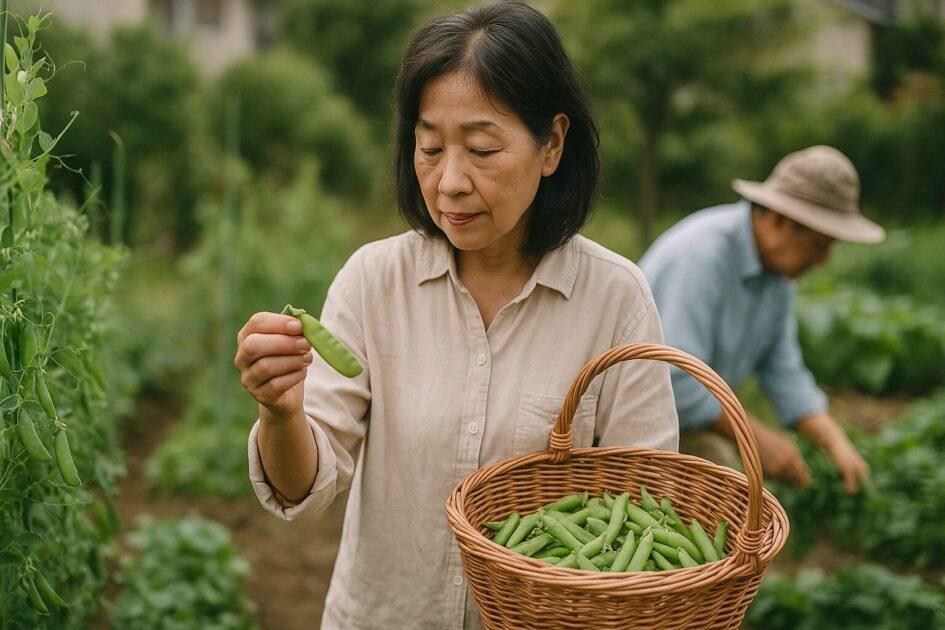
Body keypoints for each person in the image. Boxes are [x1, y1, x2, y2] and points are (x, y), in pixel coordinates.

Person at [233, 3, 679, 628]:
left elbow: (642, 510)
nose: (449, 182)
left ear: (552, 144)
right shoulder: (374, 281)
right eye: (430, 148)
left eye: (481, 149)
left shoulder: (615, 300)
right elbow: (304, 486)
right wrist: (281, 412)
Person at [639, 145, 884, 495]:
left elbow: (782, 369)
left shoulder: (776, 279)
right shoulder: (702, 257)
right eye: (818, 245)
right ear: (779, 219)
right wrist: (755, 438)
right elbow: (676, 380)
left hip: (685, 417)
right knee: (721, 473)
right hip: (635, 419)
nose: (824, 260)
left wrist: (833, 440)